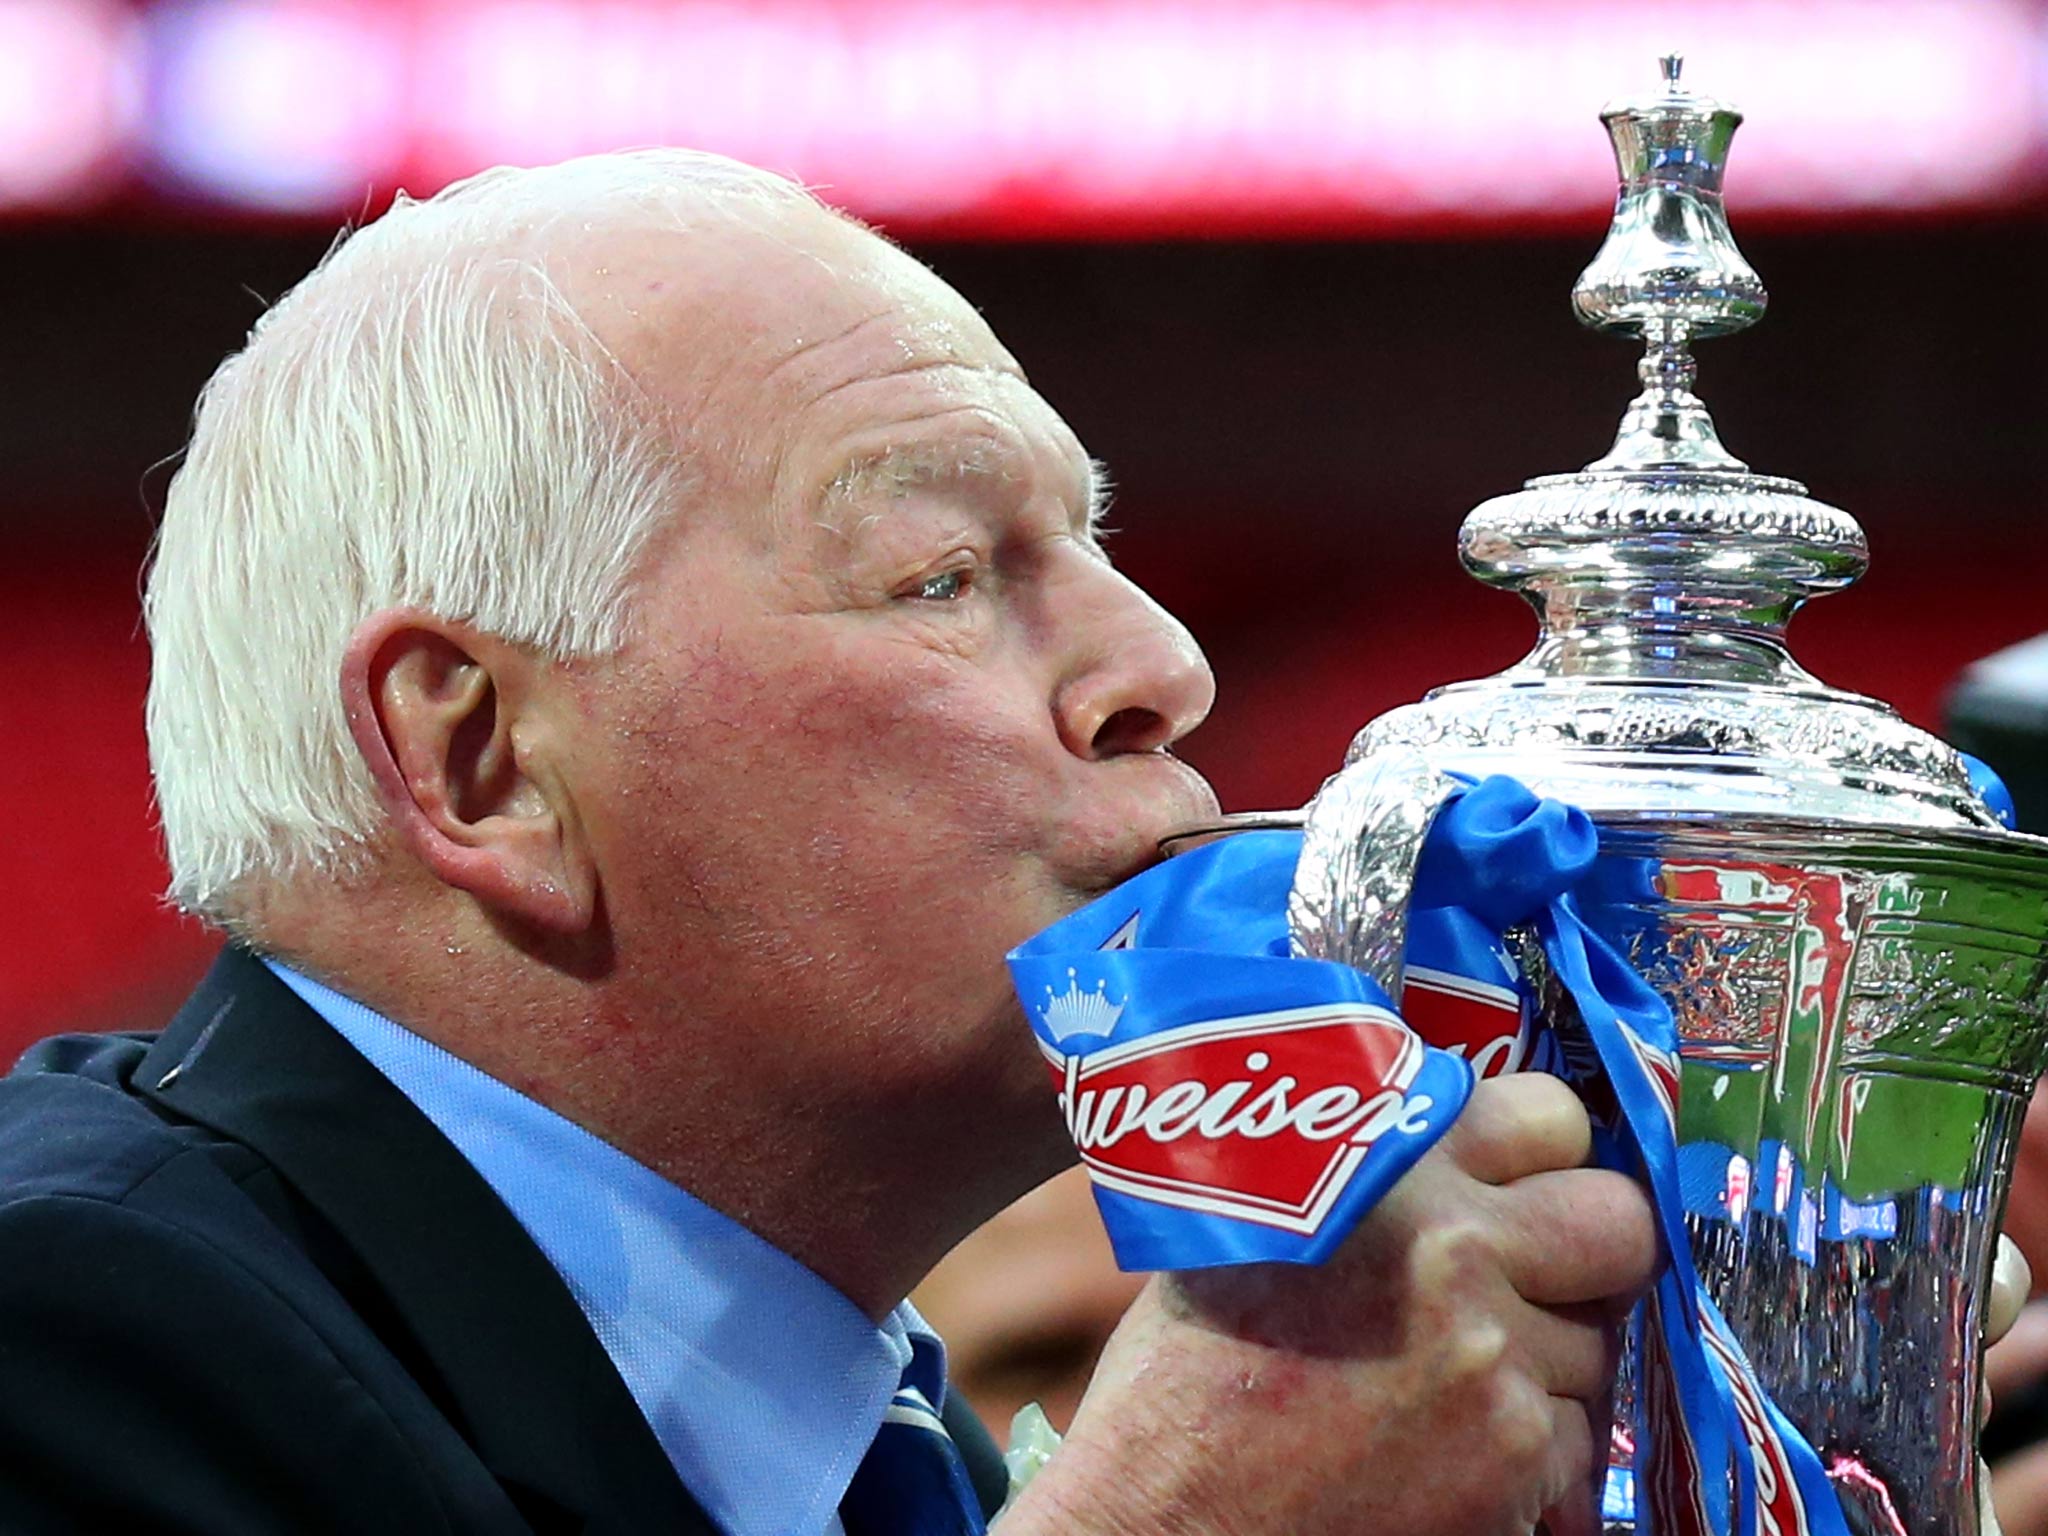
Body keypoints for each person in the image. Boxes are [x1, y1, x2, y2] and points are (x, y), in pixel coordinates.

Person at [0, 149, 1659, 1535]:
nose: (1163, 666)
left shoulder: (873, 1439)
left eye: (1092, 547)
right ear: (483, 761)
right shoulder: (61, 1347)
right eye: (943, 575)